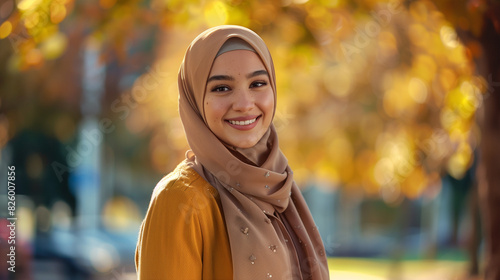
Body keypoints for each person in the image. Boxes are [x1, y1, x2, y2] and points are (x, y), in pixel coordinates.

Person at [135, 25, 329, 280]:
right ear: (194, 99)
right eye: (221, 88)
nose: (244, 104)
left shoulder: (279, 188)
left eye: (257, 83)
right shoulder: (181, 200)